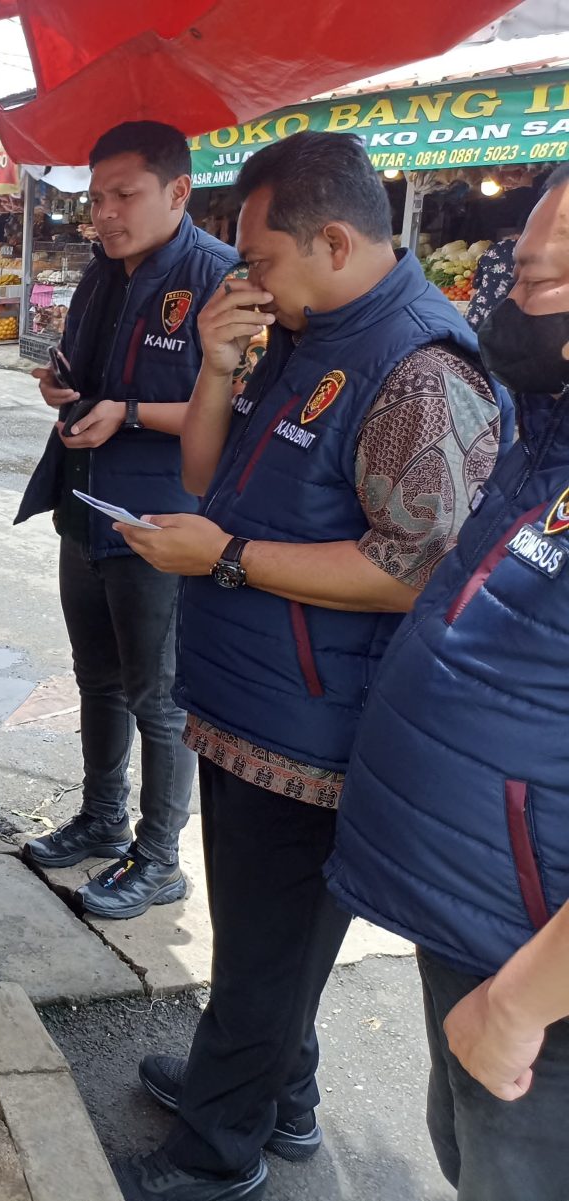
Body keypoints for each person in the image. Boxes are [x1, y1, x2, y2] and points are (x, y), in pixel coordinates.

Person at [114, 132, 509, 1201]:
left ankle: (217, 1151)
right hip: (251, 698)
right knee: (259, 935)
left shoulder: (420, 372)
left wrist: (228, 558)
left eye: (261, 259)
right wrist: (215, 365)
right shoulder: (302, 332)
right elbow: (209, 475)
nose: (245, 279)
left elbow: (417, 570)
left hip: (321, 724)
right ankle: (271, 1089)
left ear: (333, 242)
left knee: (267, 951)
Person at [325, 167, 569, 1201]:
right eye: (530, 249)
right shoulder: (546, 436)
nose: (527, 272)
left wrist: (524, 1001)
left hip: (538, 973)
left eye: (558, 266)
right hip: (480, 919)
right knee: (465, 1147)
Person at [15, 121, 238, 919]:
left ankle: (160, 855)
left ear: (178, 192)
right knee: (97, 677)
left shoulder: (219, 280)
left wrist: (132, 411)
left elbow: (239, 409)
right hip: (85, 502)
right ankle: (102, 817)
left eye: (124, 195)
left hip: (161, 519)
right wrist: (61, 385)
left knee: (159, 694)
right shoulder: (101, 274)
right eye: (97, 197)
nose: (104, 213)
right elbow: (86, 372)